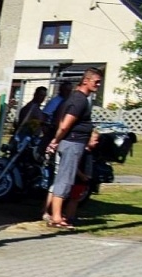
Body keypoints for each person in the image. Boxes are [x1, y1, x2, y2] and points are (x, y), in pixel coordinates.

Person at [43, 68, 101, 230]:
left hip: (72, 143)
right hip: (72, 143)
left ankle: (58, 215)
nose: (98, 84)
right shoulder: (79, 100)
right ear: (86, 81)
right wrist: (55, 141)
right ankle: (56, 217)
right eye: (96, 81)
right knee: (65, 180)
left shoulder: (78, 99)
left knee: (66, 179)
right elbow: (65, 124)